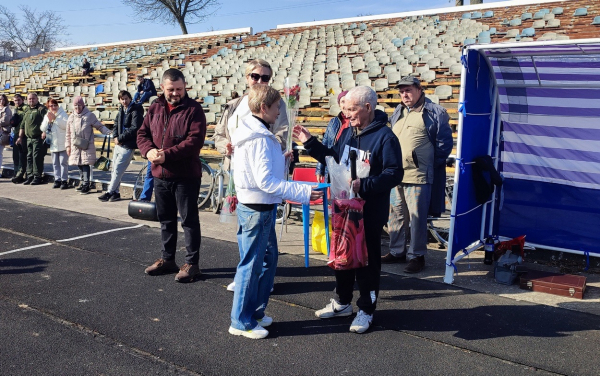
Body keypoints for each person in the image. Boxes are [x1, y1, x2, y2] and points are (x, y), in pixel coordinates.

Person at [294, 86, 403, 334]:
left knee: (367, 262)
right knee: (342, 257)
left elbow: (394, 173)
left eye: (351, 109)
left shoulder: (386, 137)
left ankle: (366, 309)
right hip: (344, 209)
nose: (347, 114)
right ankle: (343, 302)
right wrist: (310, 142)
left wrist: (365, 184)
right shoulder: (349, 133)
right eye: (344, 109)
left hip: (369, 212)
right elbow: (333, 159)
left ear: (368, 107)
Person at [228, 85, 323, 339]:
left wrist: (282, 159)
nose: (280, 110)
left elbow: (263, 173)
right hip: (258, 207)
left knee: (262, 261)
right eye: (276, 106)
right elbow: (265, 182)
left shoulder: (256, 134)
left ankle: (253, 313)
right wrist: (303, 192)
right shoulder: (259, 138)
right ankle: (241, 321)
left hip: (260, 206)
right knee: (251, 265)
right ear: (263, 108)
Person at [214, 58, 289, 292]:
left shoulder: (278, 105)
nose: (259, 81)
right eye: (255, 76)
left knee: (264, 233)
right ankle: (246, 272)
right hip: (237, 174)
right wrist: (225, 145)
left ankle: (262, 277)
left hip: (263, 175)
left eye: (265, 78)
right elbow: (219, 135)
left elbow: (283, 135)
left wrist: (260, 147)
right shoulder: (234, 104)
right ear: (247, 78)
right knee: (244, 230)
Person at [137, 68, 207, 283]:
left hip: (185, 176)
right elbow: (142, 134)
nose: (175, 93)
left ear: (185, 87)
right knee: (166, 220)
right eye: (171, 89)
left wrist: (166, 155)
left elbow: (193, 142)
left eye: (179, 89)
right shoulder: (155, 107)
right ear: (162, 88)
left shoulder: (194, 110)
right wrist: (148, 151)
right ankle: (168, 260)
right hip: (160, 175)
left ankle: (192, 264)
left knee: (188, 221)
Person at [382, 76, 453, 273]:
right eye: (401, 91)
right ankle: (397, 252)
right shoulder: (399, 111)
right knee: (395, 215)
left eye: (408, 90)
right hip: (396, 174)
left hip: (419, 176)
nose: (405, 95)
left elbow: (444, 144)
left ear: (419, 90)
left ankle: (417, 256)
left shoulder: (435, 112)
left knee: (417, 218)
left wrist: (426, 165)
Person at [98, 90, 143, 202]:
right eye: (122, 99)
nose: (124, 101)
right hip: (119, 144)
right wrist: (115, 137)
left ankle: (109, 192)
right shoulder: (121, 110)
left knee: (118, 169)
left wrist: (120, 138)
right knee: (114, 170)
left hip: (128, 145)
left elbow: (134, 128)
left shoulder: (136, 110)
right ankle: (116, 193)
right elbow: (116, 124)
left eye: (126, 98)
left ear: (130, 98)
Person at [65, 96, 111, 194]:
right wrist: (67, 146)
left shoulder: (90, 115)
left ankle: (86, 184)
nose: (77, 107)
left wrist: (108, 132)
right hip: (75, 146)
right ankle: (82, 183)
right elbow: (68, 134)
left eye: (79, 105)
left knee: (85, 165)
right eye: (75, 105)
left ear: (83, 105)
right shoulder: (71, 117)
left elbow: (99, 126)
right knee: (79, 165)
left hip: (87, 145)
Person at [315, 90, 349, 182]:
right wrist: (319, 169)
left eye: (347, 101)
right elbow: (324, 145)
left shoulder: (356, 122)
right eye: (342, 102)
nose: (345, 105)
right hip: (332, 168)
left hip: (347, 169)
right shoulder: (333, 122)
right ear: (339, 104)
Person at [40, 99, 69, 189]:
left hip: (63, 142)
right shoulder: (47, 115)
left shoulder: (63, 114)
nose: (53, 107)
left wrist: (55, 119)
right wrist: (49, 121)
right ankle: (57, 179)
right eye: (51, 106)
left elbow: (66, 126)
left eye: (54, 105)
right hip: (53, 142)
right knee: (55, 163)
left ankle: (64, 180)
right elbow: (42, 128)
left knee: (63, 162)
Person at [21, 93, 47, 185]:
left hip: (38, 138)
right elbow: (23, 124)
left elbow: (47, 121)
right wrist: (20, 137)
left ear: (37, 99)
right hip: (29, 138)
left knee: (37, 157)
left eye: (33, 99)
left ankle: (37, 176)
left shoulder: (41, 109)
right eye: (29, 99)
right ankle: (30, 176)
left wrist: (45, 132)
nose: (31, 100)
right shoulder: (27, 110)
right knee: (29, 157)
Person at [10, 94, 28, 183]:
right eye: (15, 100)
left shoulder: (25, 108)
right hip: (16, 133)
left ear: (22, 100)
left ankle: (21, 174)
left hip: (23, 135)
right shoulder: (16, 109)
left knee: (22, 156)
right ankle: (16, 173)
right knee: (15, 155)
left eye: (18, 100)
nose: (17, 102)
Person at [0, 94, 12, 177]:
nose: (1, 101)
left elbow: (5, 121)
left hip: (2, 133)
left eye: (2, 99)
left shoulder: (7, 110)